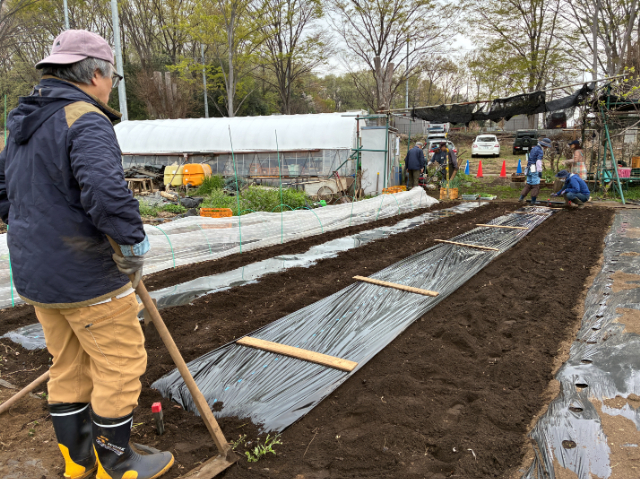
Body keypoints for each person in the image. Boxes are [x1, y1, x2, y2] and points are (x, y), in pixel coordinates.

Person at [0, 30, 174, 479]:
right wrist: (131, 246)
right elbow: (106, 193)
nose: (111, 85)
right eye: (113, 76)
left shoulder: (24, 121)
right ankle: (116, 462)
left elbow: (4, 190)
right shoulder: (85, 119)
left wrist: (34, 229)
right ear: (96, 73)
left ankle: (77, 462)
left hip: (38, 274)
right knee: (121, 365)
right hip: (87, 276)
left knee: (69, 364)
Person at [519, 137, 551, 206]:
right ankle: (533, 201)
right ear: (545, 146)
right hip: (534, 168)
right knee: (535, 185)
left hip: (528, 167)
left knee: (528, 184)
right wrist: (539, 171)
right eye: (547, 146)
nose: (547, 148)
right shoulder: (540, 151)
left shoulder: (534, 148)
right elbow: (538, 162)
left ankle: (521, 198)